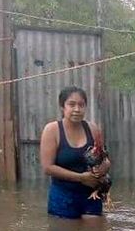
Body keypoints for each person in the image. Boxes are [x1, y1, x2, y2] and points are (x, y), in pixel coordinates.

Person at [40, 86, 111, 220]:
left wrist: (104, 168)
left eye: (81, 105)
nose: (77, 109)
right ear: (62, 107)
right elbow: (48, 168)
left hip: (91, 194)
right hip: (63, 197)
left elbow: (105, 159)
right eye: (71, 105)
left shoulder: (93, 129)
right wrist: (81, 177)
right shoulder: (52, 130)